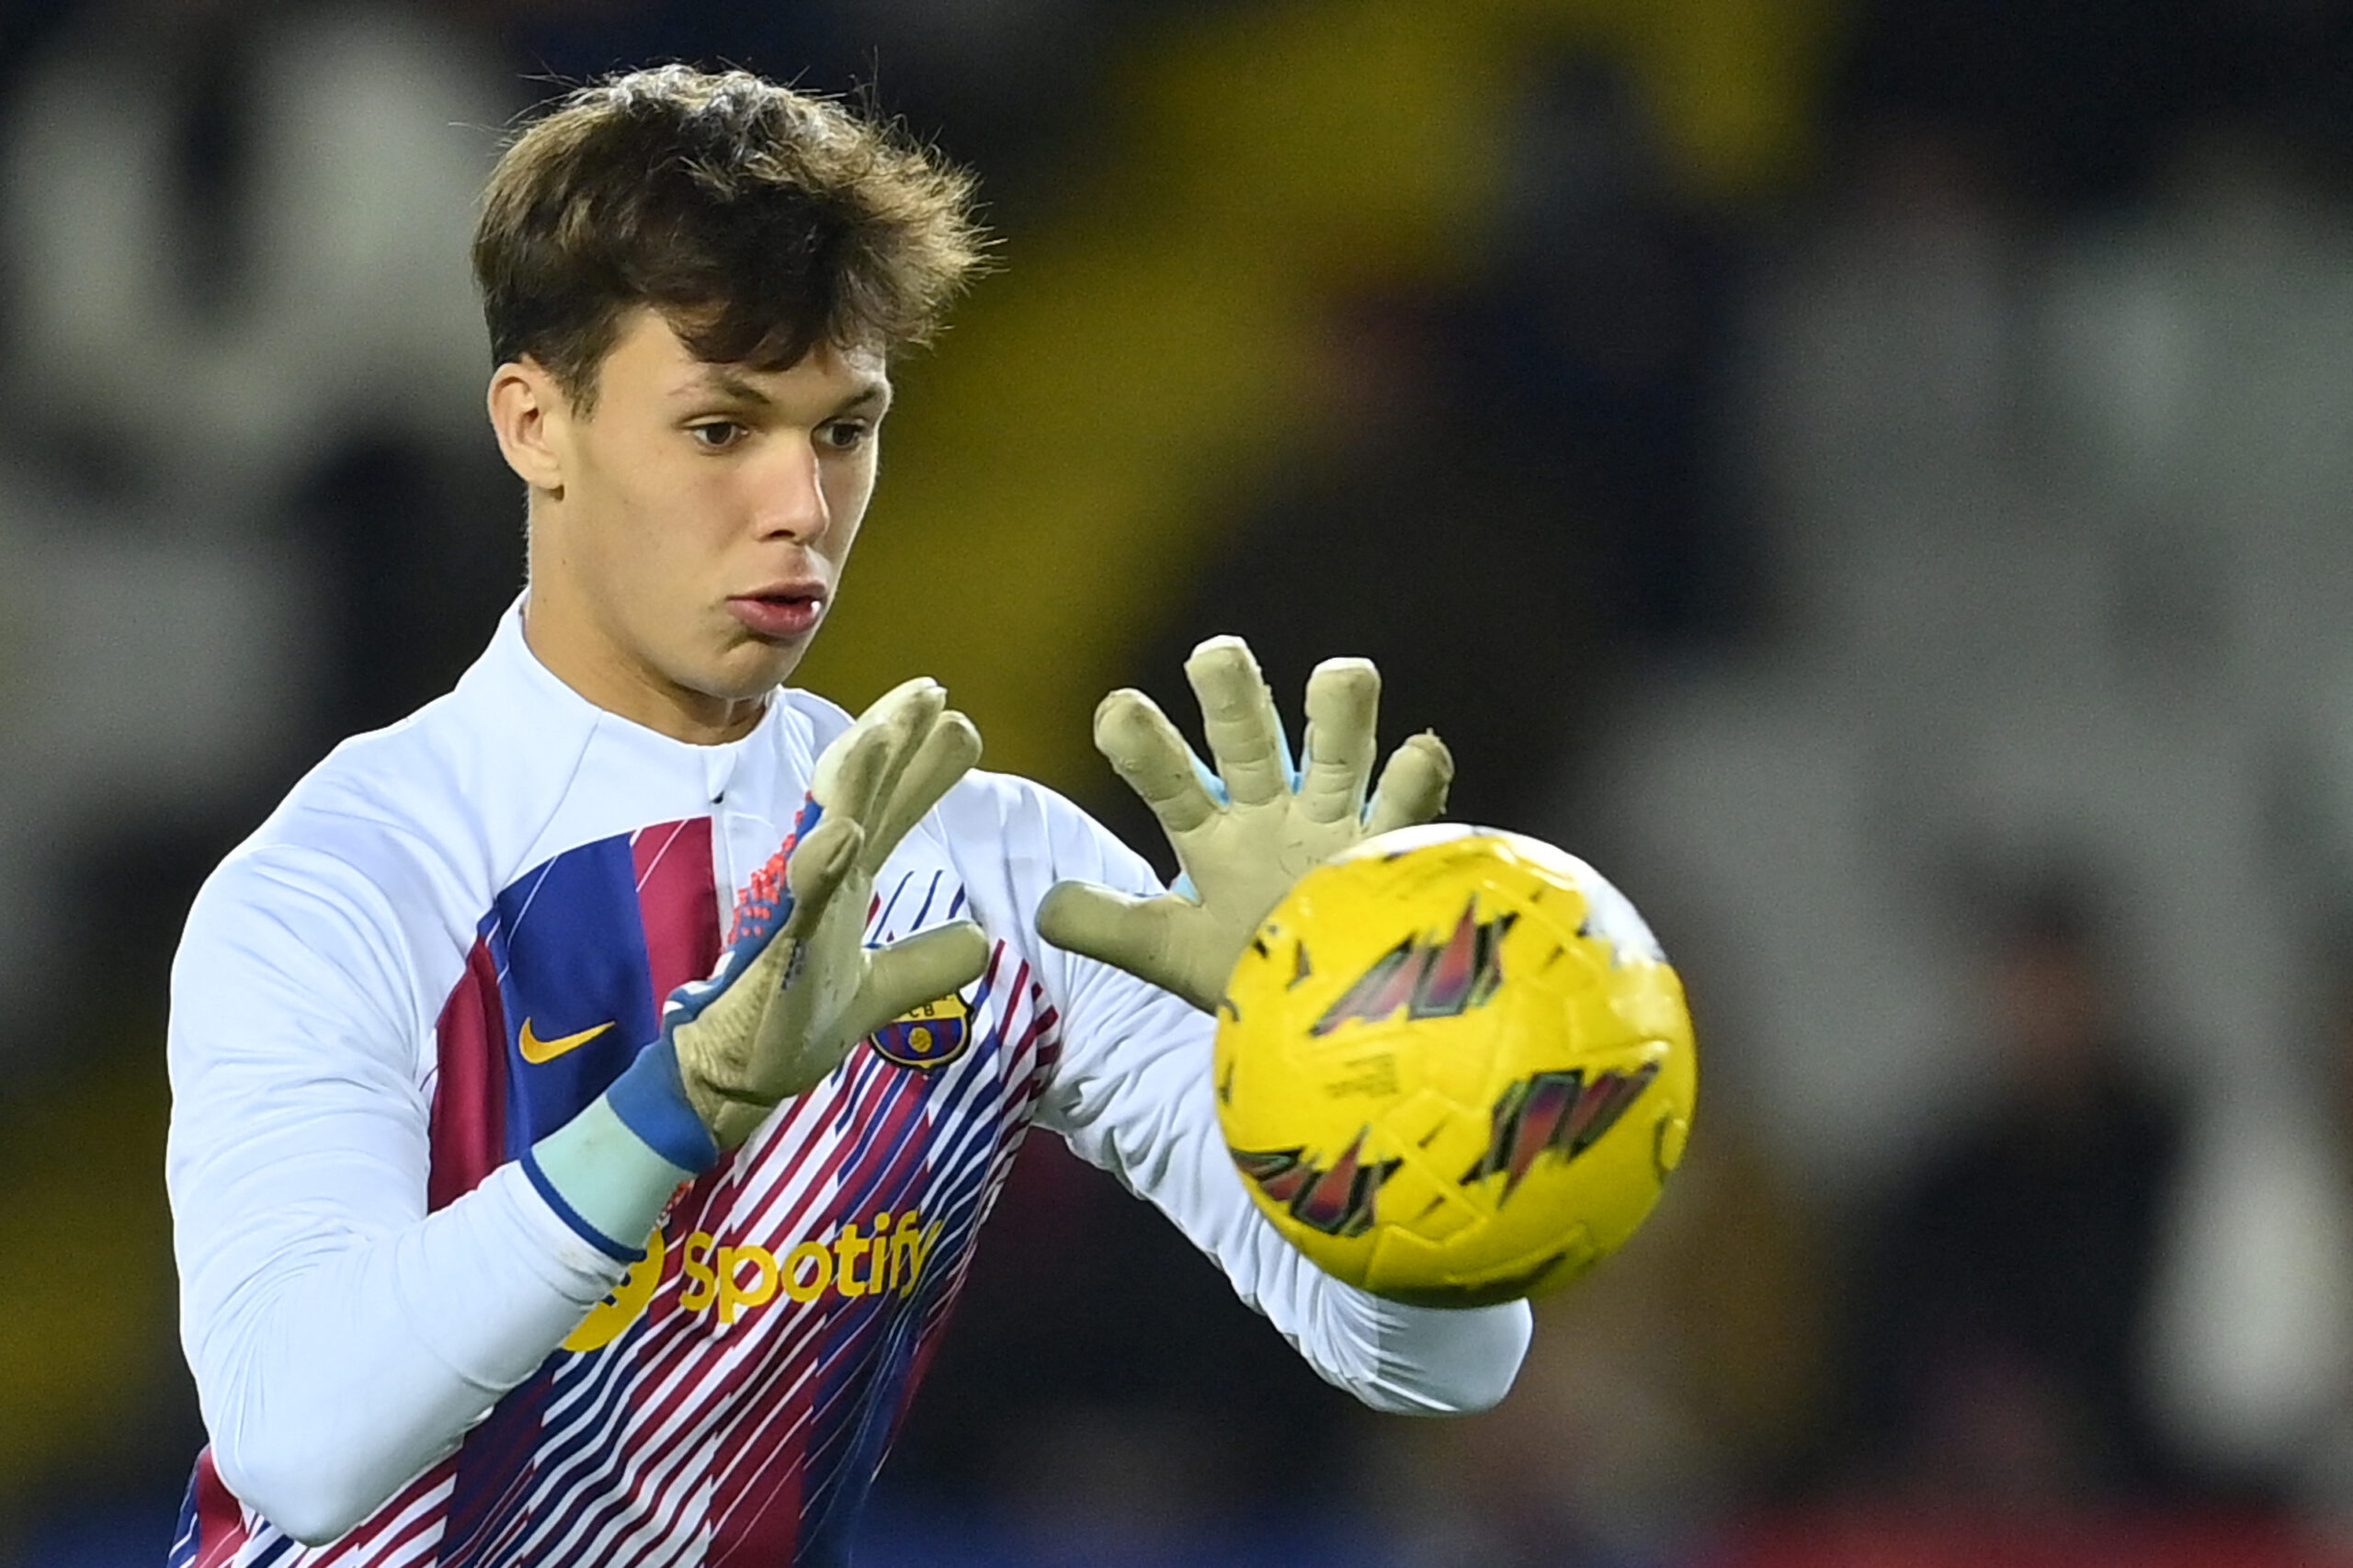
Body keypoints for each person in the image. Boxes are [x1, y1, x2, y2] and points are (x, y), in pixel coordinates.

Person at [161, 65, 1530, 1567]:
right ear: (534, 422)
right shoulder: (352, 875)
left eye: (842, 428)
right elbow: (299, 1441)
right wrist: (666, 1115)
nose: (800, 506)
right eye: (719, 428)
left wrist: (1356, 1075)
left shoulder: (995, 875)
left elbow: (1441, 1361)